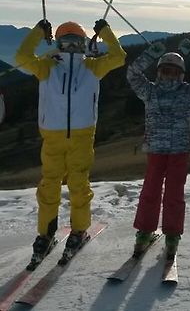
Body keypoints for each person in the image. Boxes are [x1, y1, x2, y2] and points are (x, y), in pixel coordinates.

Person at [16, 19, 126, 268]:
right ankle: (46, 234)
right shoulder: (47, 66)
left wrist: (106, 32)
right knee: (49, 185)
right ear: (58, 43)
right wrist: (37, 32)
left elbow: (119, 57)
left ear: (84, 43)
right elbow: (22, 56)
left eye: (76, 42)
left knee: (78, 183)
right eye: (66, 42)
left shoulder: (92, 67)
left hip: (80, 135)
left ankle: (76, 231)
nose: (71, 47)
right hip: (57, 136)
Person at [127, 38, 190, 258]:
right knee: (150, 192)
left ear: (182, 75)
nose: (169, 75)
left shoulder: (189, 92)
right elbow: (133, 74)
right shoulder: (149, 91)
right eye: (165, 70)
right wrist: (149, 54)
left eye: (174, 72)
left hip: (179, 151)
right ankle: (144, 232)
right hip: (156, 151)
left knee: (174, 194)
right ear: (158, 72)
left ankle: (172, 235)